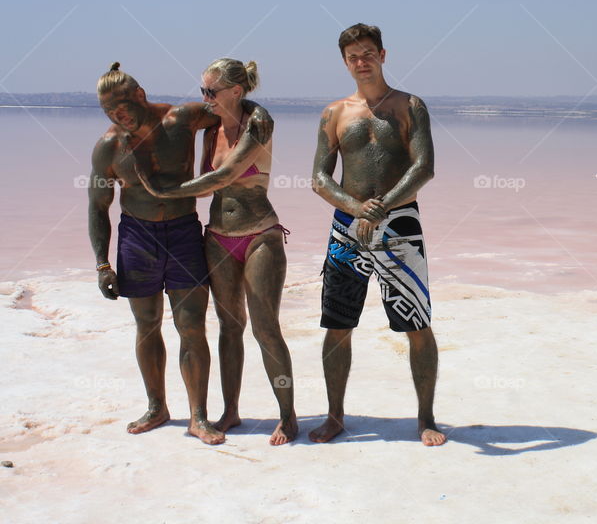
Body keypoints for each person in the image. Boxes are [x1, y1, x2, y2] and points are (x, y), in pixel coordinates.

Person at [88, 62, 271, 445]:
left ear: (140, 94)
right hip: (137, 236)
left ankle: (199, 417)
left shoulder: (182, 119)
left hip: (184, 232)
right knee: (147, 322)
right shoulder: (109, 146)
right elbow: (98, 205)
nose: (117, 116)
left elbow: (231, 103)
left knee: (191, 324)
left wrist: (261, 115)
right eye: (108, 111)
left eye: (121, 107)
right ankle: (157, 407)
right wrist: (103, 264)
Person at [137, 58, 297, 445]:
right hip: (218, 236)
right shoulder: (211, 127)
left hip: (260, 235)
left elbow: (224, 176)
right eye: (202, 90)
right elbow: (174, 129)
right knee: (230, 327)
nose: (204, 98)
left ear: (236, 92)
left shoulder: (259, 122)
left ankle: (288, 416)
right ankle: (231, 411)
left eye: (211, 91)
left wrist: (165, 192)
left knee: (266, 329)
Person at [309, 23, 445, 446]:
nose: (361, 61)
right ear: (345, 62)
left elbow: (424, 167)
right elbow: (318, 177)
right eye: (353, 56)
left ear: (383, 55)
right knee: (337, 324)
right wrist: (355, 208)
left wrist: (381, 207)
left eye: (368, 53)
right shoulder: (334, 113)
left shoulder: (410, 105)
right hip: (347, 229)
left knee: (417, 324)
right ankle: (335, 416)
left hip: (401, 227)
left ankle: (425, 417)